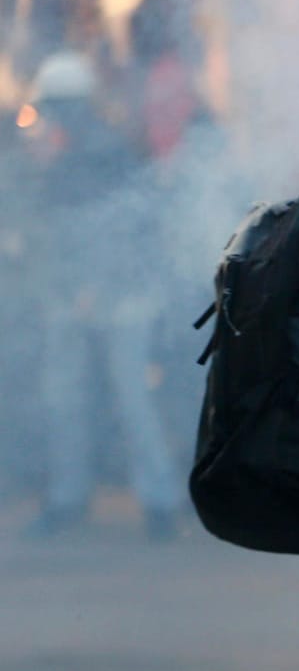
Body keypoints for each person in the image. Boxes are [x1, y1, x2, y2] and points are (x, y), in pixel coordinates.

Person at [18, 47, 184, 540]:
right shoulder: (65, 149)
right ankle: (71, 496)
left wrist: (95, 284)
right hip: (73, 291)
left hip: (118, 294)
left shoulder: (102, 149)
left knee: (128, 395)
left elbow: (120, 227)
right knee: (65, 396)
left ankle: (157, 500)